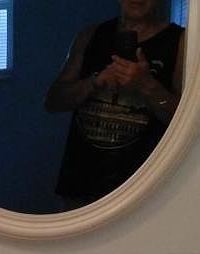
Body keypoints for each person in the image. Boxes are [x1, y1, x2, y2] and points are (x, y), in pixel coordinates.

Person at [45, 0, 185, 207]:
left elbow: (185, 124)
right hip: (81, 186)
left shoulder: (180, 42)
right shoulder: (90, 36)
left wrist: (146, 85)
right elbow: (53, 101)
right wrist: (94, 82)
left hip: (144, 191)